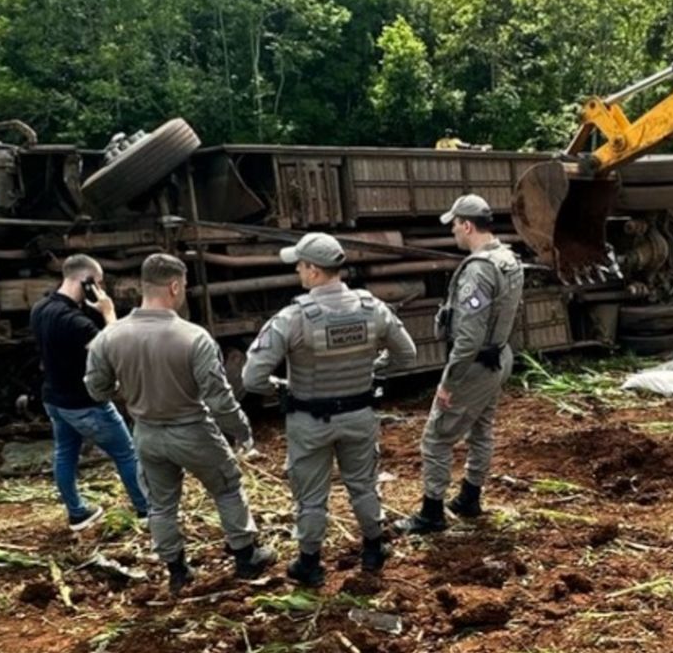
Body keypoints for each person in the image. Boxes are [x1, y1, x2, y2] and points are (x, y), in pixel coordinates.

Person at [85, 254, 274, 594]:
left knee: (161, 504)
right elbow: (219, 398)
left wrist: (127, 391)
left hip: (146, 434)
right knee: (227, 487)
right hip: (192, 431)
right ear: (174, 286)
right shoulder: (194, 337)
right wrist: (241, 430)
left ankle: (177, 571)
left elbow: (96, 388)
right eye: (183, 286)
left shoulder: (109, 338)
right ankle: (246, 557)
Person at [241, 233, 417, 586]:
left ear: (313, 270)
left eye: (300, 266)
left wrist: (282, 391)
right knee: (364, 486)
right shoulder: (372, 308)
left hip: (309, 420)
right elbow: (407, 354)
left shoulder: (292, 317)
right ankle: (373, 549)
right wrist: (373, 367)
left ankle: (310, 564)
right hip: (360, 415)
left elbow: (252, 376)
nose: (298, 272)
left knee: (310, 498)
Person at [396, 195, 524, 535]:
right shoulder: (508, 259)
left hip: (475, 366)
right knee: (481, 428)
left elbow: (468, 338)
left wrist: (448, 384)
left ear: (467, 225)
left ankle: (431, 513)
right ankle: (469, 497)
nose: (452, 230)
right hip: (499, 356)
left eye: (454, 224)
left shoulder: (479, 270)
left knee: (436, 439)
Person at [29, 254, 148, 531]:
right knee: (126, 453)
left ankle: (77, 513)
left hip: (54, 399)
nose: (102, 289)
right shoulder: (74, 322)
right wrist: (108, 311)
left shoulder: (40, 308)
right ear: (88, 282)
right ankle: (146, 509)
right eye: (99, 283)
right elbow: (113, 349)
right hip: (85, 402)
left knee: (65, 453)